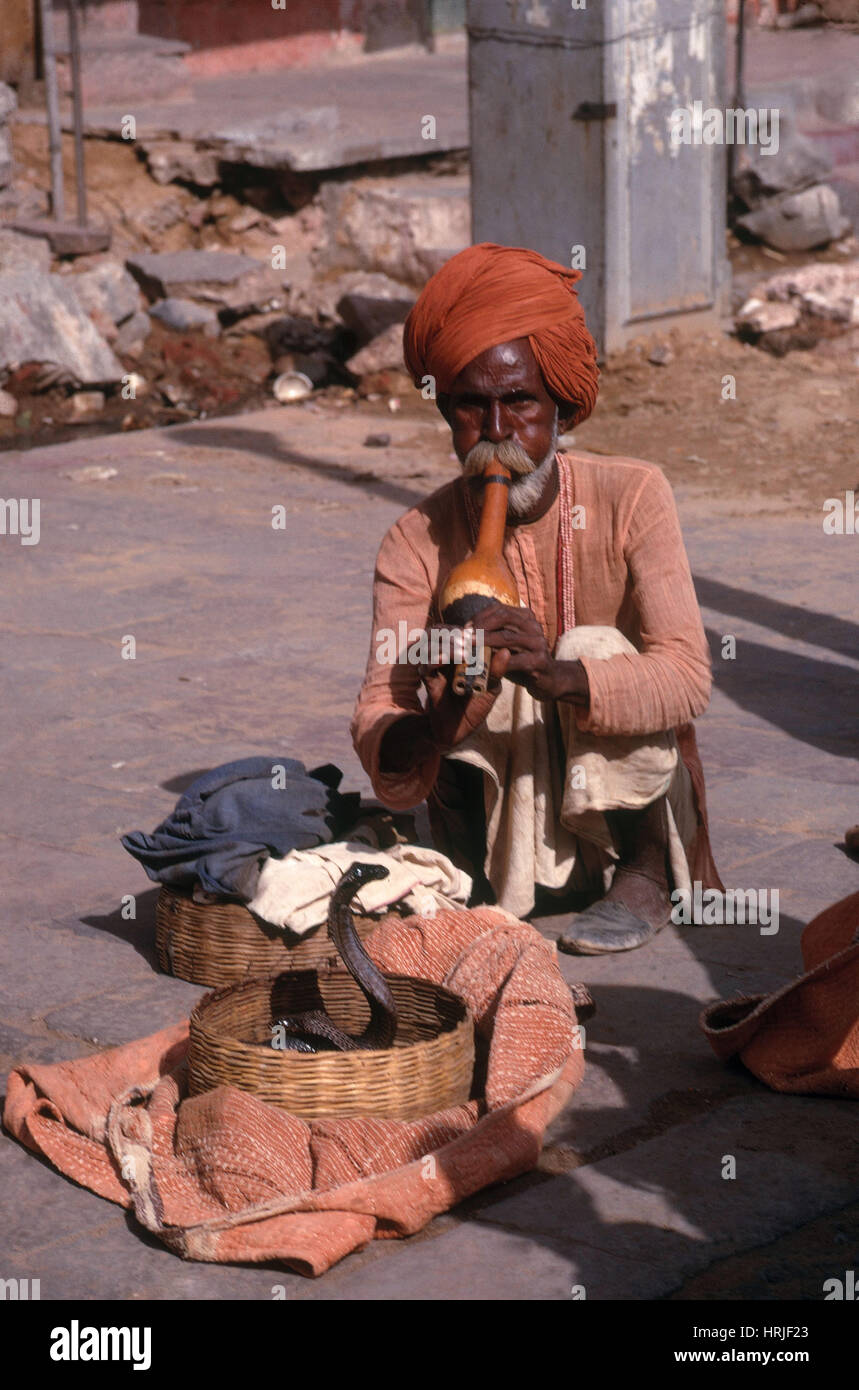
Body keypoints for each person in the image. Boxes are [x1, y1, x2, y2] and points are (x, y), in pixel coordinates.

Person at [350, 243, 722, 954]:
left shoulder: (632, 494)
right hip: (498, 827)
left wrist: (558, 676)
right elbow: (378, 703)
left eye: (519, 402)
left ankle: (643, 873)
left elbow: (687, 677)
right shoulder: (412, 538)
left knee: (588, 647)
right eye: (471, 407)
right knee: (463, 648)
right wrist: (439, 716)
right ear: (447, 413)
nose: (496, 433)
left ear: (560, 408)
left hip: (622, 810)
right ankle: (489, 888)